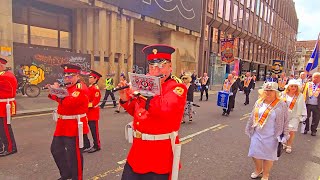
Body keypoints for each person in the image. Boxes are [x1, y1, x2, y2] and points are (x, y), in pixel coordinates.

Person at [118, 44, 187, 180]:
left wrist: (143, 93)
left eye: (161, 65)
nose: (155, 70)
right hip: (137, 152)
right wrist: (125, 98)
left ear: (170, 67)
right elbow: (139, 113)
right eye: (152, 66)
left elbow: (164, 109)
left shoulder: (177, 87)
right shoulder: (146, 87)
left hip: (159, 155)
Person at [47, 64, 89, 180]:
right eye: (65, 76)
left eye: (70, 76)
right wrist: (55, 91)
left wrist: (57, 93)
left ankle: (77, 177)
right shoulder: (67, 88)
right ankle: (66, 174)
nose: (67, 78)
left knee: (74, 155)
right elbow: (58, 98)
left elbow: (69, 103)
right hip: (62, 125)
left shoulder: (81, 88)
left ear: (77, 76)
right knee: (55, 149)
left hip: (74, 125)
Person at [245, 82, 289, 180]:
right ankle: (258, 169)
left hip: (272, 136)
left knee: (268, 157)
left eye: (271, 91)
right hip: (257, 133)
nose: (268, 93)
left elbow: (286, 121)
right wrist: (249, 127)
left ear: (275, 92)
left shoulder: (281, 104)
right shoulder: (259, 101)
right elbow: (252, 116)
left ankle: (266, 174)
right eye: (266, 90)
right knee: (254, 153)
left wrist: (285, 135)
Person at [281, 79, 307, 153]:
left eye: (295, 86)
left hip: (295, 115)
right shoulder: (283, 94)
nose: (293, 88)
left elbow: (303, 106)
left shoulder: (300, 96)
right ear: (288, 87)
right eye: (291, 86)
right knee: (284, 130)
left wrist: (304, 115)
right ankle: (284, 142)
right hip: (284, 115)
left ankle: (289, 145)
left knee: (291, 131)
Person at [0, 58, 18, 157]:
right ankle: (3, 147)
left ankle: (10, 148)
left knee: (5, 128)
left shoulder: (5, 76)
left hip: (4, 106)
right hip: (2, 105)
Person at [85, 70, 102, 153]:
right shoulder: (90, 87)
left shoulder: (96, 89)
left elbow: (95, 102)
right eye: (89, 77)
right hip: (88, 113)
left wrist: (85, 105)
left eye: (91, 77)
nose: (89, 78)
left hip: (93, 113)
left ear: (95, 79)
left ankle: (97, 145)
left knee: (94, 131)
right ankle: (87, 144)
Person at [302, 72, 320, 136]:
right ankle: (305, 129)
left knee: (316, 118)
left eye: (317, 77)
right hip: (308, 104)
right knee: (306, 117)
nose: (315, 79)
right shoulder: (307, 84)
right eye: (314, 77)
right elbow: (303, 92)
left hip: (317, 105)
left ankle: (313, 130)